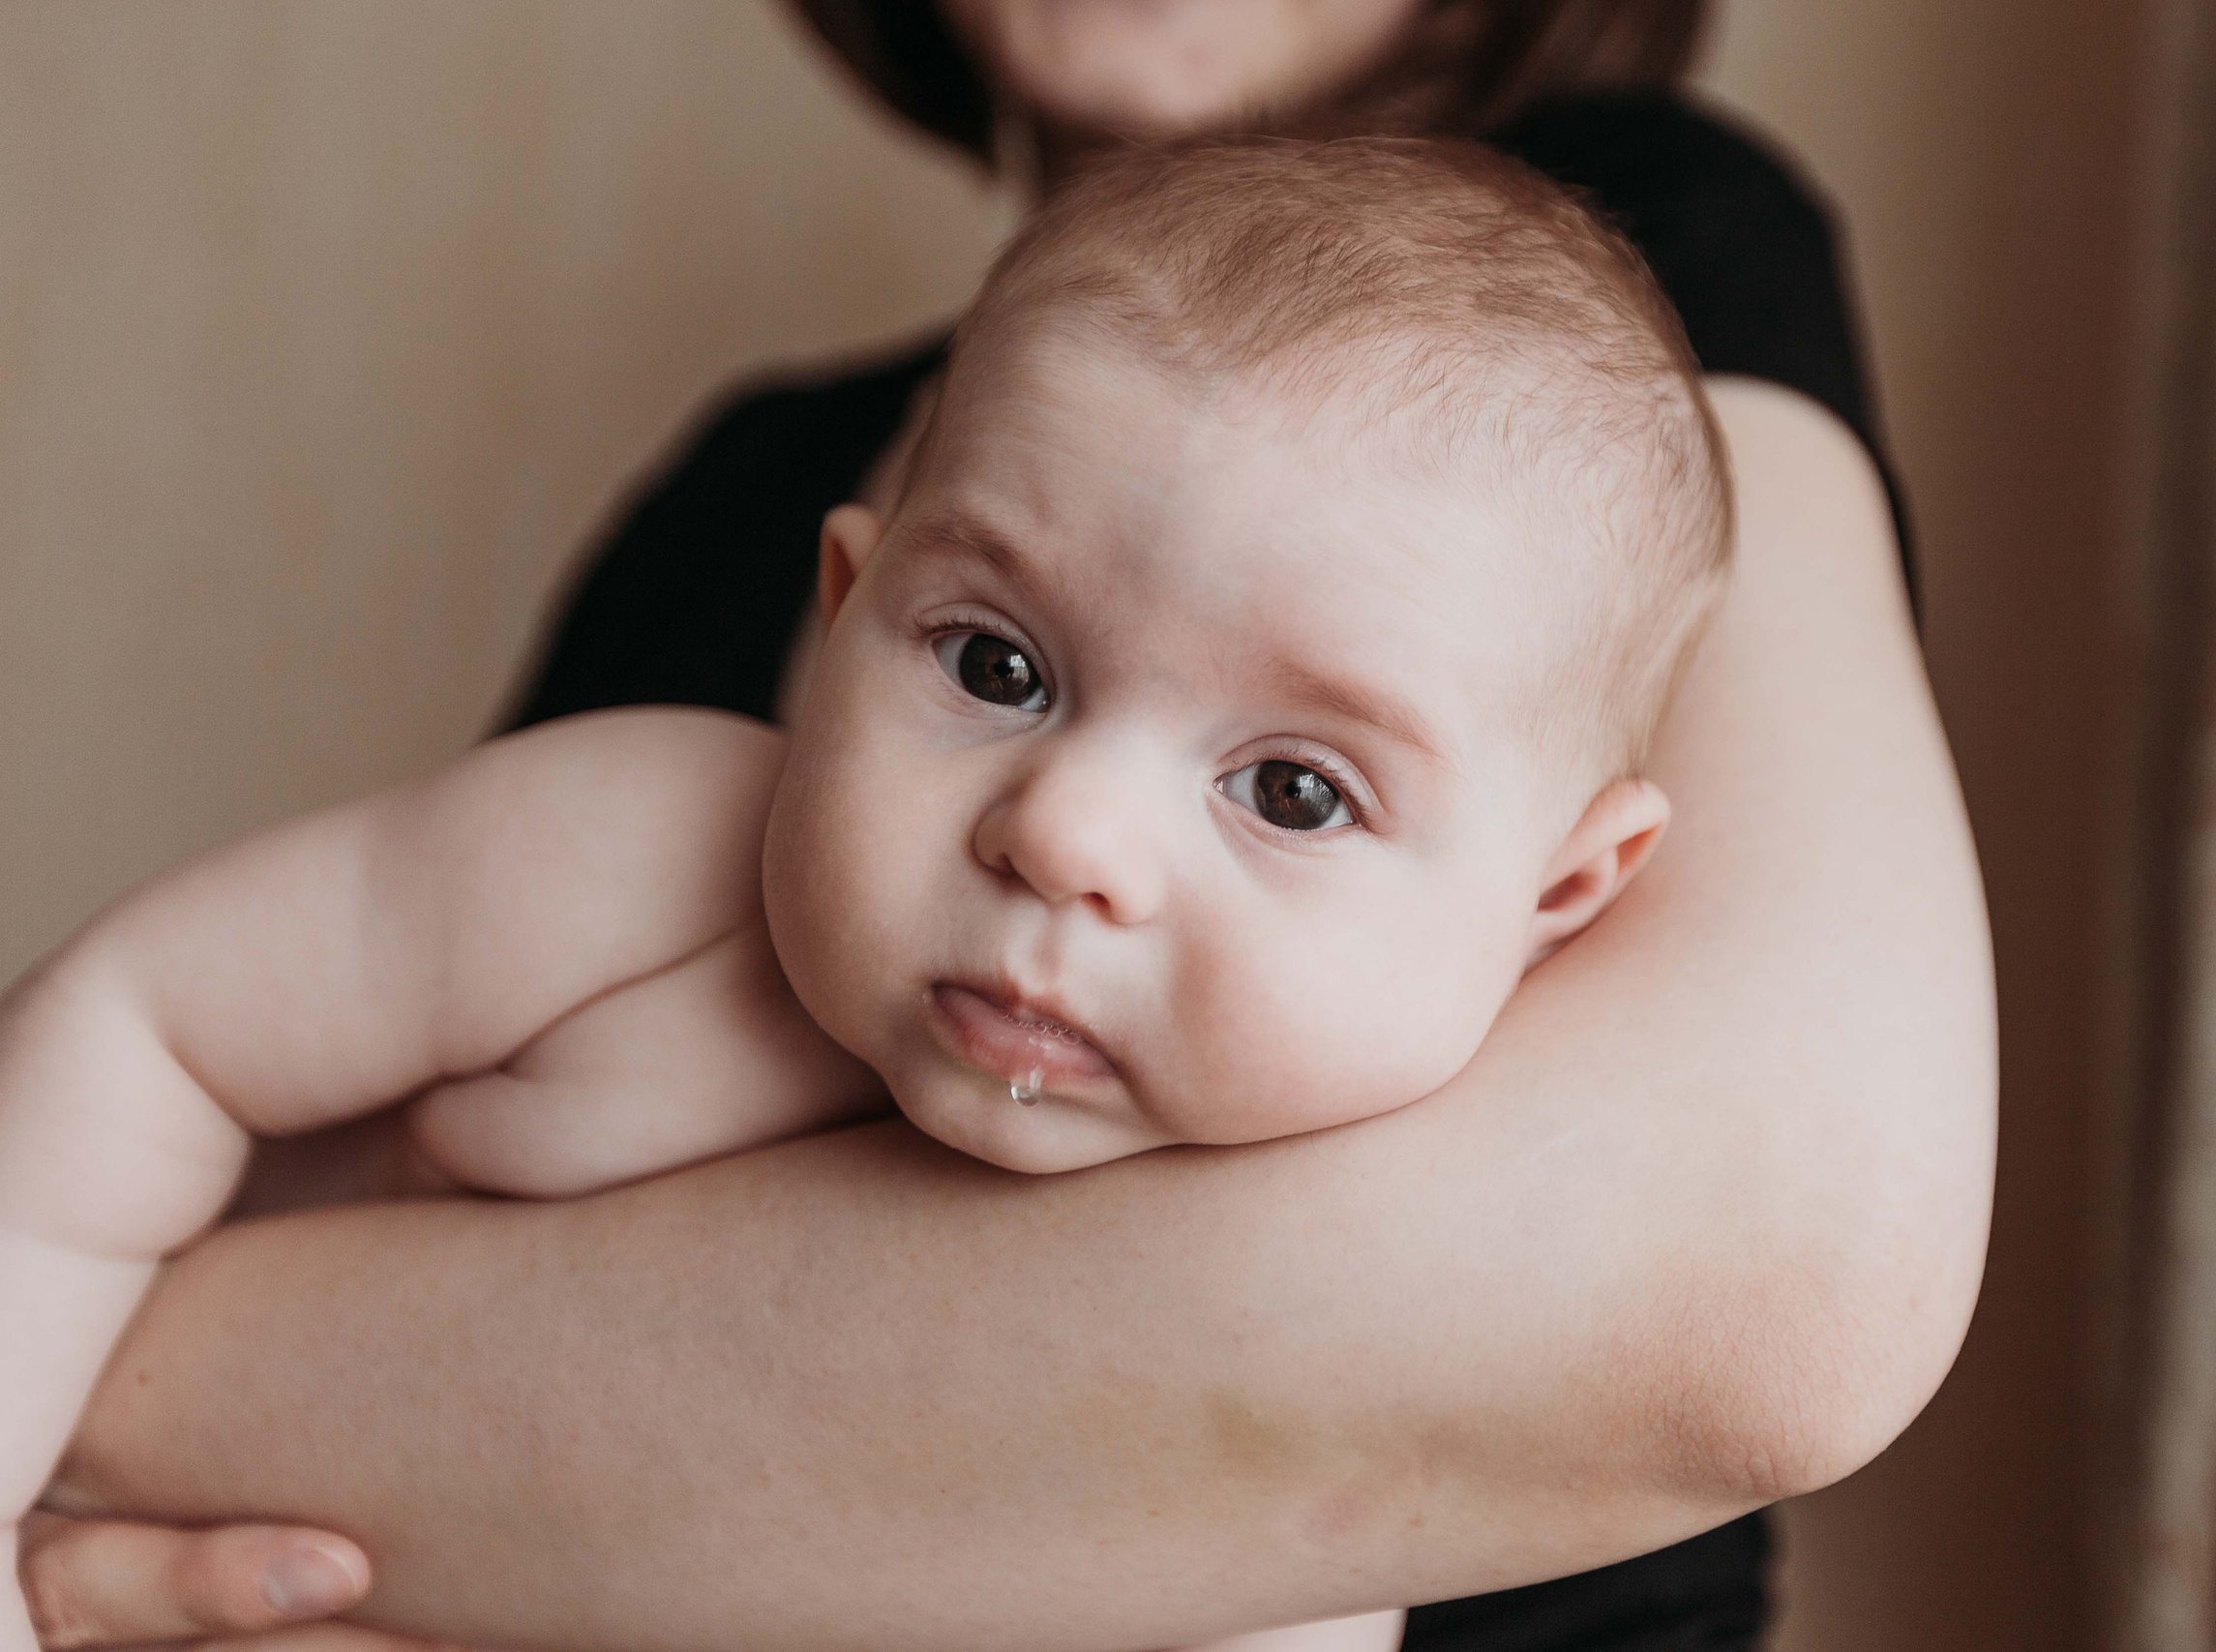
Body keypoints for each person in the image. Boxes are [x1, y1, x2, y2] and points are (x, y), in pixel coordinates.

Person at [17, 5, 1994, 1651]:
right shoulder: (694, 672)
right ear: (846, 593)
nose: (1069, 831)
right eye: (989, 665)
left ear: (1561, 891)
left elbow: (1776, 1273)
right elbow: (156, 1055)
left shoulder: (1608, 302)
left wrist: (151, 1431)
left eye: (1290, 789)